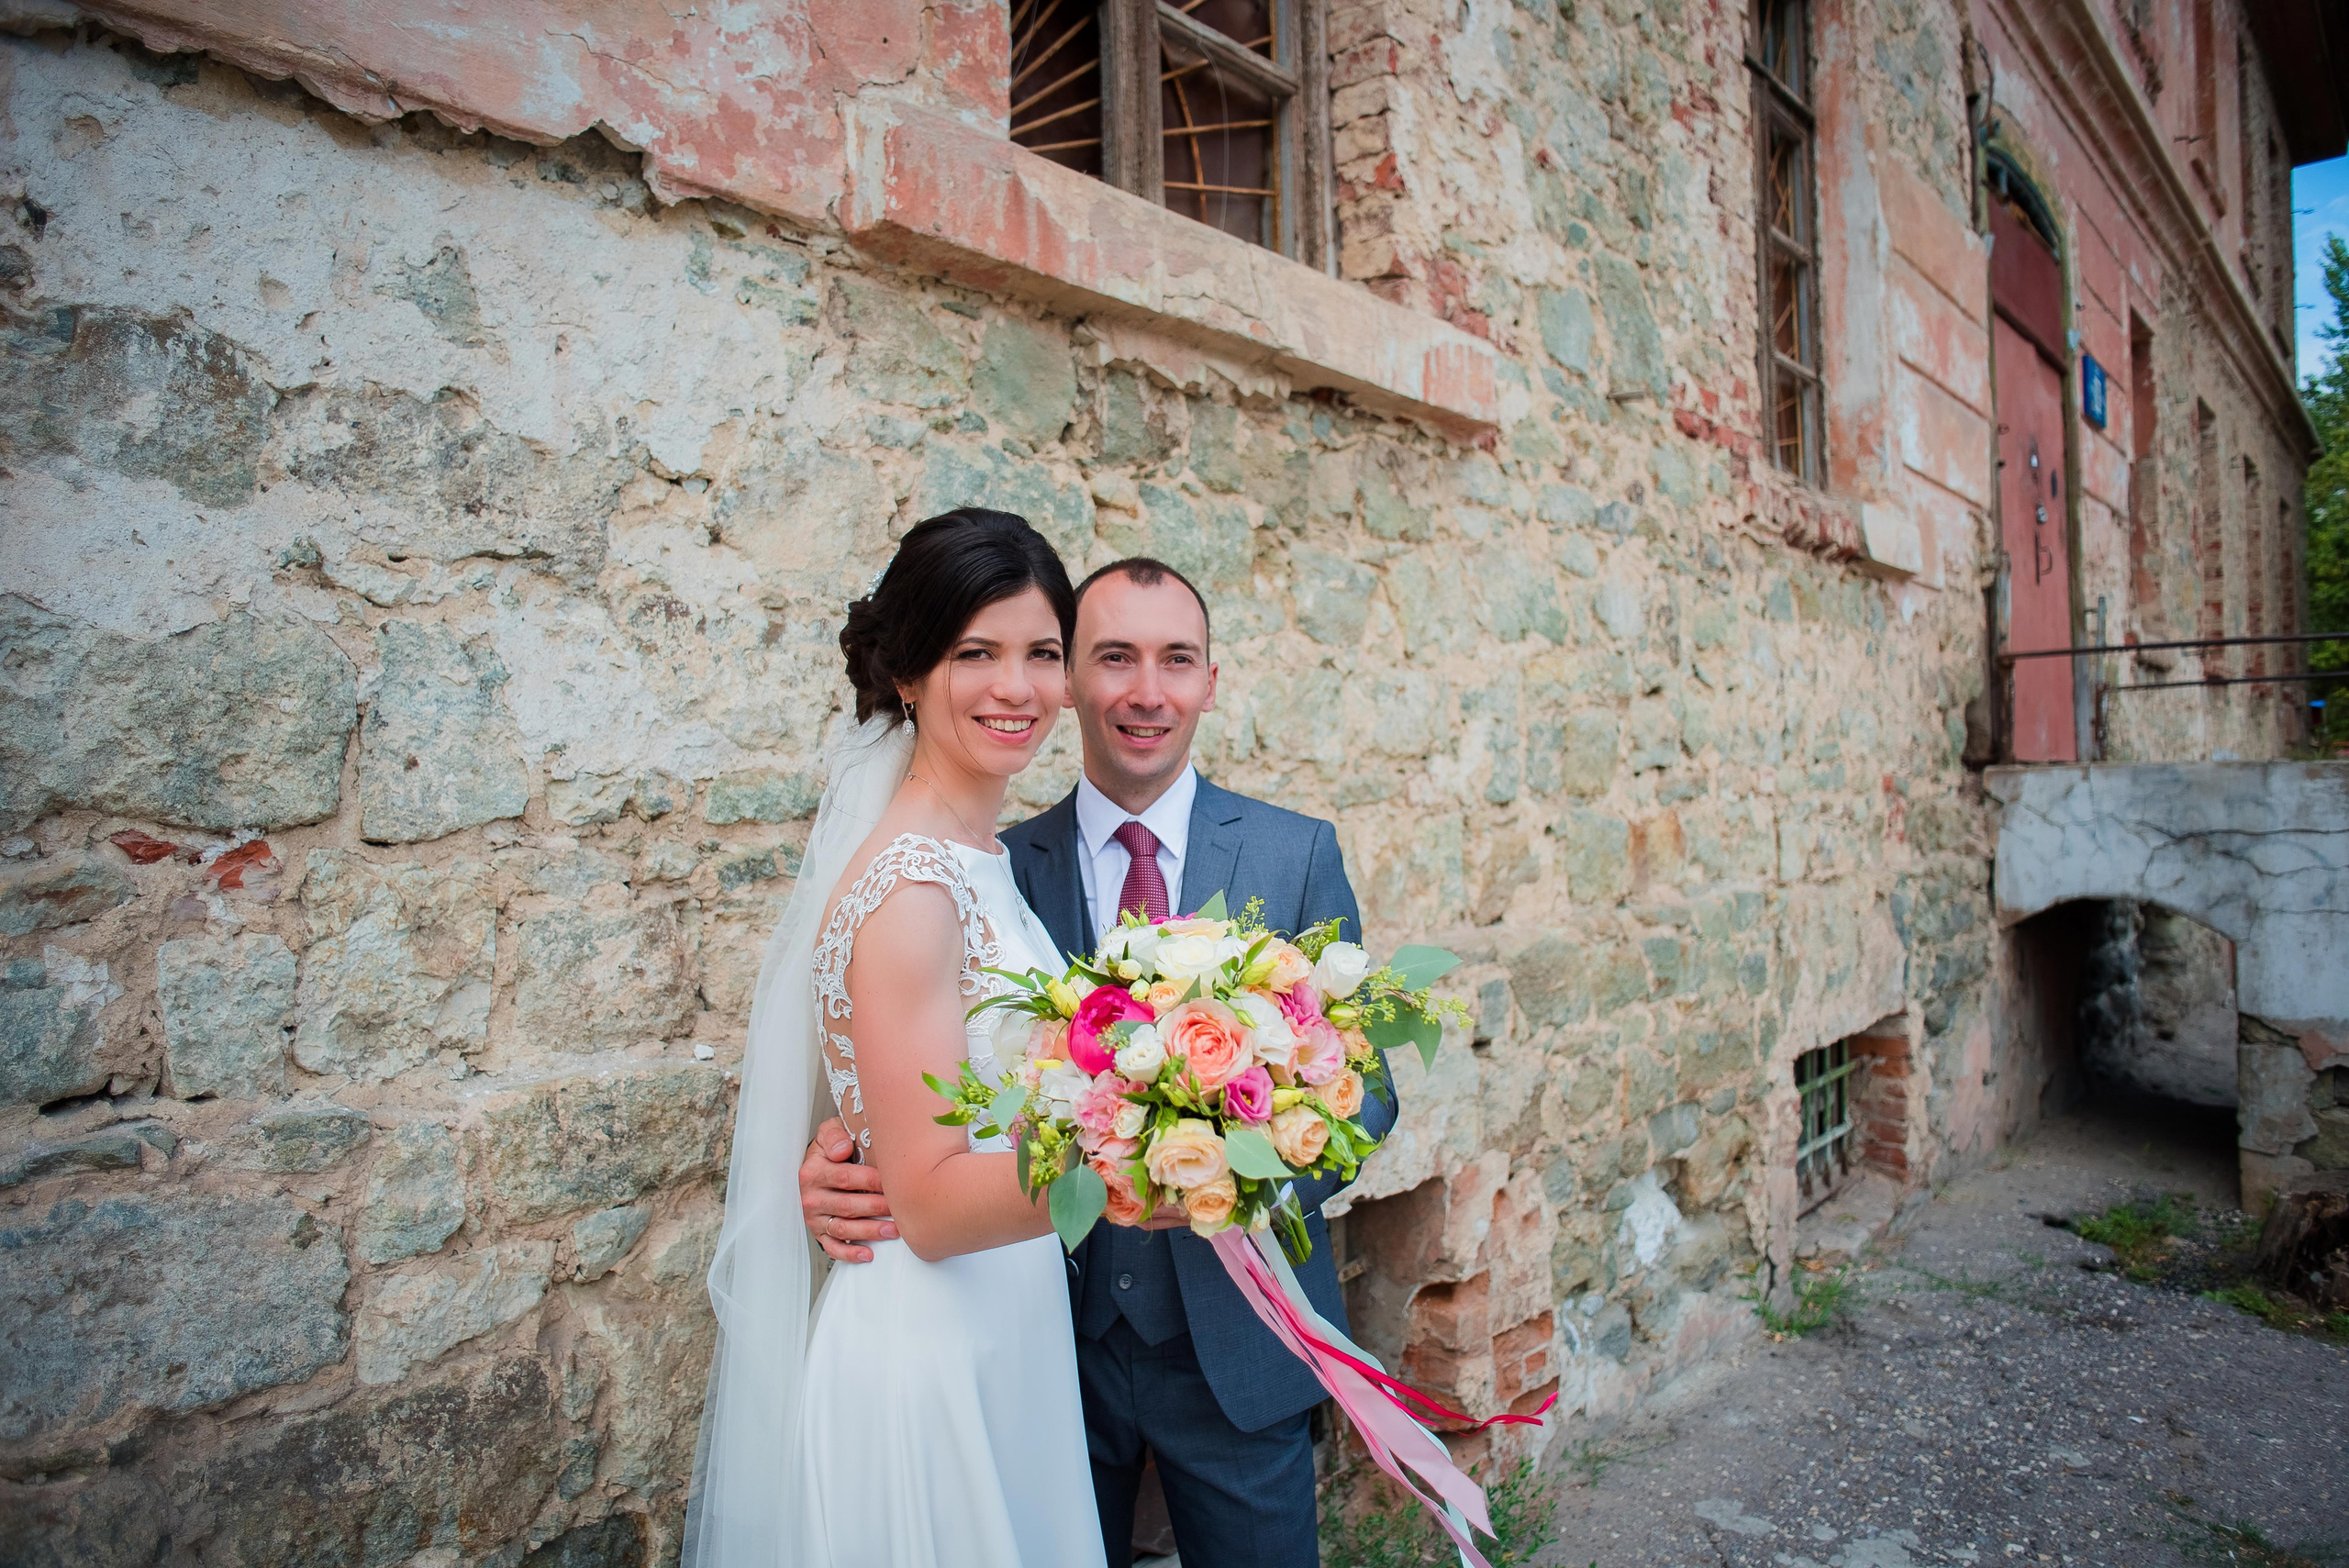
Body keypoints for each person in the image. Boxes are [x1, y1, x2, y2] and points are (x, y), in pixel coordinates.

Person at [798, 557, 1397, 1568]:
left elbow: (1366, 1092)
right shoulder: (994, 858)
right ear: (1072, 680)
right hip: (1043, 1350)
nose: (1145, 691)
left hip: (1237, 1348)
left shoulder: (1293, 854)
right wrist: (840, 1161)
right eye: (1112, 657)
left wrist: (1230, 1175)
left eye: (1176, 660)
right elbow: (929, 1082)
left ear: (1211, 678)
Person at [684, 509, 1107, 1568]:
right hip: (931, 1345)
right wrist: (1135, 1164)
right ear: (908, 673)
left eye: (1040, 653)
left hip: (1006, 1314)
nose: (1015, 687)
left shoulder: (978, 855)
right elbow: (922, 1201)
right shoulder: (912, 888)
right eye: (975, 652)